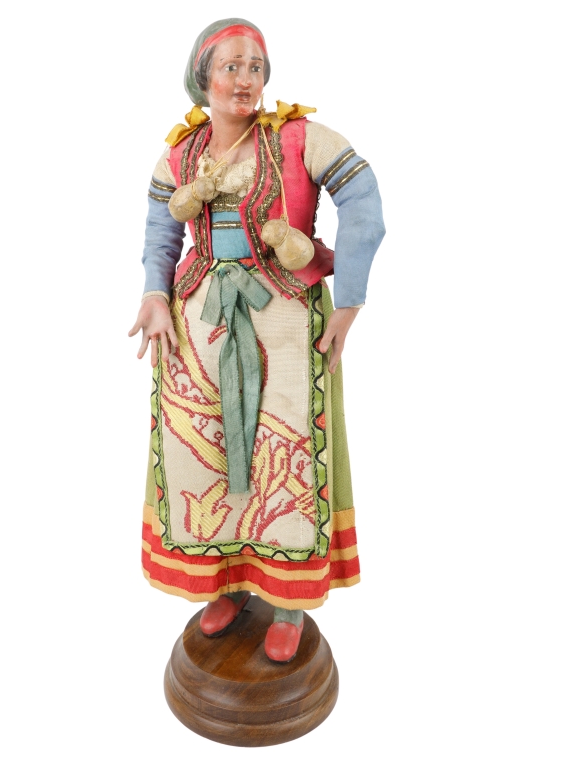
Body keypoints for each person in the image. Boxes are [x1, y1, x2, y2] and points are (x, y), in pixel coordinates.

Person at [129, 18, 385, 663]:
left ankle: (289, 601)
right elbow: (161, 232)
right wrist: (155, 296)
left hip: (286, 320)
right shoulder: (180, 155)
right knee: (207, 454)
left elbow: (363, 201)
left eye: (255, 67)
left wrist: (349, 300)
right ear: (202, 77)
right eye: (231, 67)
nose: (245, 80)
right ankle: (229, 583)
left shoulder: (299, 139)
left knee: (286, 451)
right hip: (199, 325)